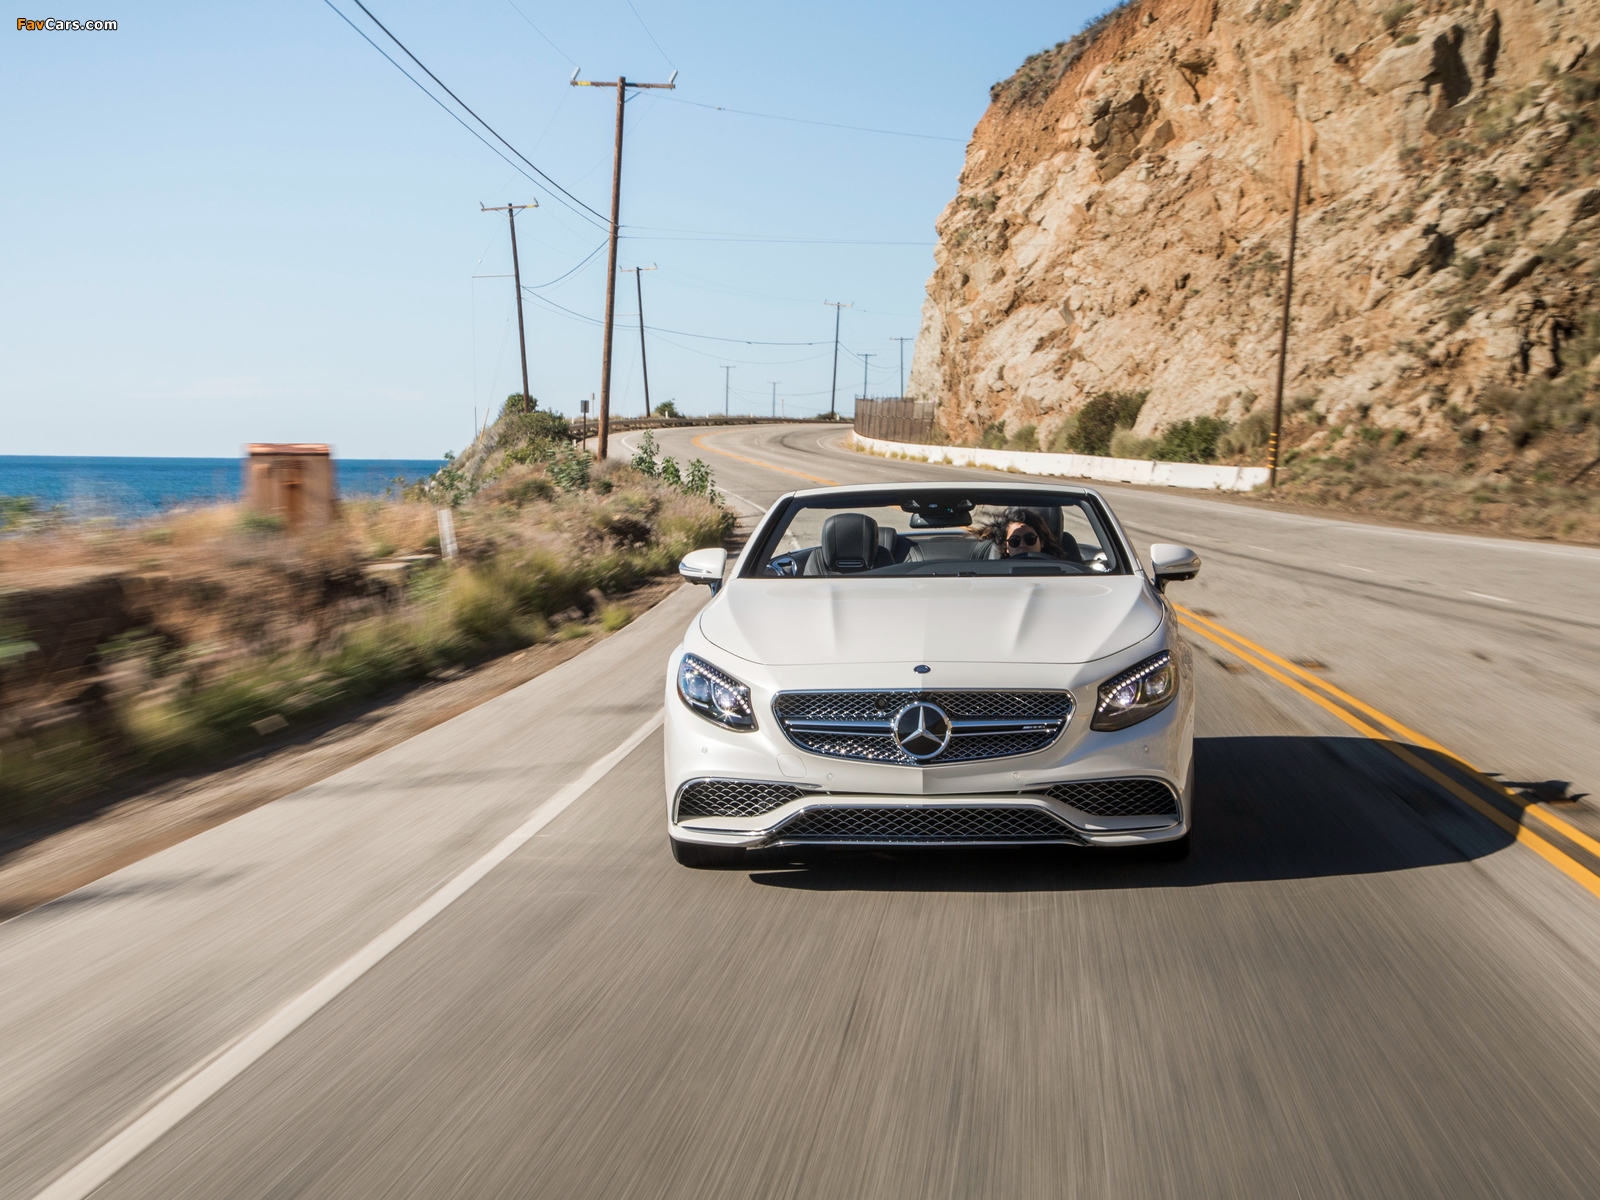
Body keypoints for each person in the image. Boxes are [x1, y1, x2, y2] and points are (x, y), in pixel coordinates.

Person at [988, 507, 1068, 559]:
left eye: (1030, 539)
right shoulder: (996, 575)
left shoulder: (1059, 570)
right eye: (1014, 541)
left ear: (1041, 542)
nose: (1023, 545)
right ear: (1006, 547)